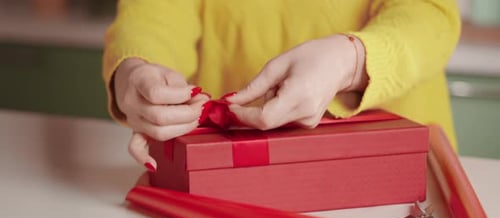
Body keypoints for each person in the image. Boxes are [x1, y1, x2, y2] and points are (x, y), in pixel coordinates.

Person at [103, 0, 461, 171]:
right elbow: (154, 17)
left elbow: (427, 13)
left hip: (395, 169)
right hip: (232, 172)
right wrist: (136, 71)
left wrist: (347, 61)